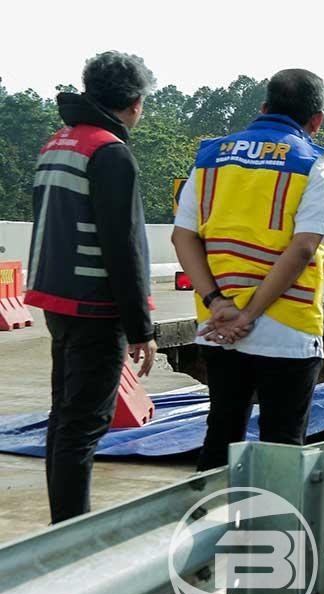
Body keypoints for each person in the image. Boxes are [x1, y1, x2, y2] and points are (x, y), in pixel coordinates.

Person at [172, 68, 324, 471]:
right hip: (287, 328)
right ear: (316, 120)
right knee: (281, 446)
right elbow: (302, 249)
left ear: (263, 107)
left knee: (221, 434)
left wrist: (218, 303)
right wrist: (248, 315)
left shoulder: (211, 157)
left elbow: (182, 237)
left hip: (218, 326)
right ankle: (273, 532)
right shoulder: (315, 164)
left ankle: (206, 528)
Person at [25, 51, 158, 523]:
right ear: (135, 102)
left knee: (66, 416)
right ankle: (69, 530)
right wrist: (141, 326)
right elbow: (123, 247)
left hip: (56, 298)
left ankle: (64, 520)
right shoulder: (110, 152)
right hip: (95, 305)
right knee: (84, 424)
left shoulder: (60, 141)